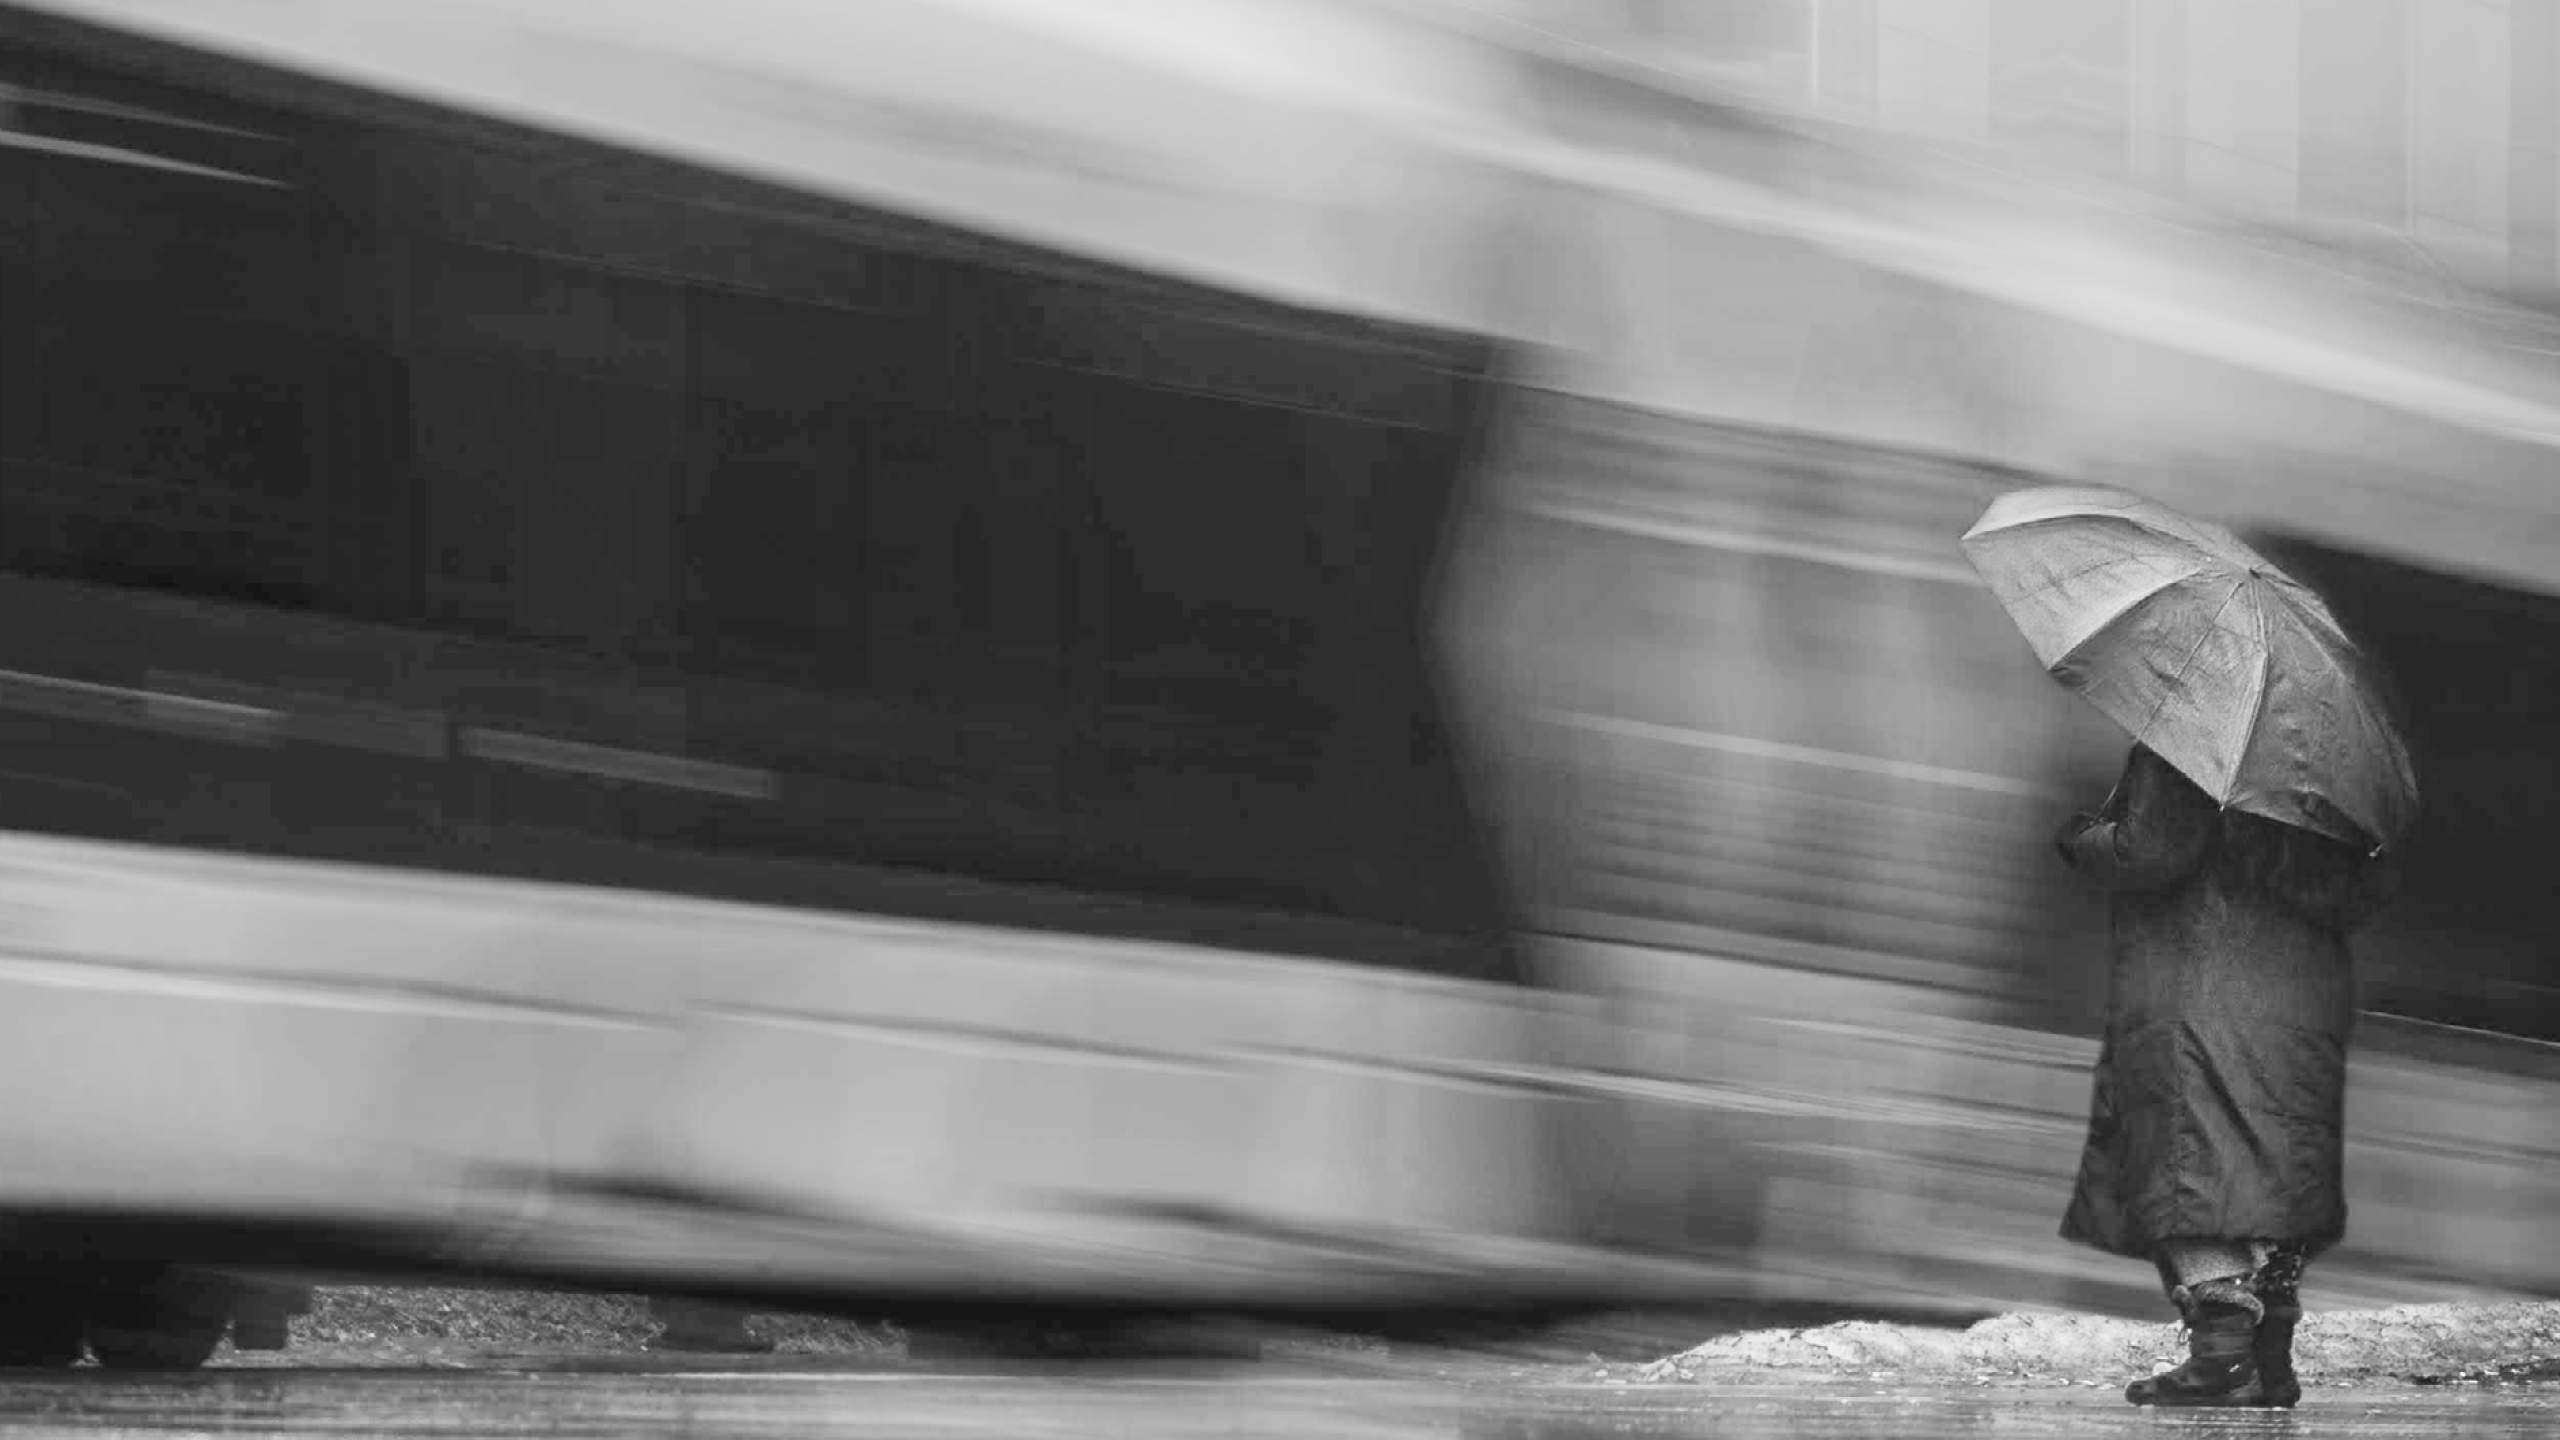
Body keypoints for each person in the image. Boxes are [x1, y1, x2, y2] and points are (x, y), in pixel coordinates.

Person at [2053, 743, 2397, 1409]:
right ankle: (2269, 1365)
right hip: (2305, 994)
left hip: (2204, 984)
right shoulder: (2337, 759)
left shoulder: (2196, 741)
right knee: (2272, 1180)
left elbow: (2151, 851)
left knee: (2188, 1170)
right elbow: (2363, 888)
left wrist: (2083, 837)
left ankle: (2223, 1360)